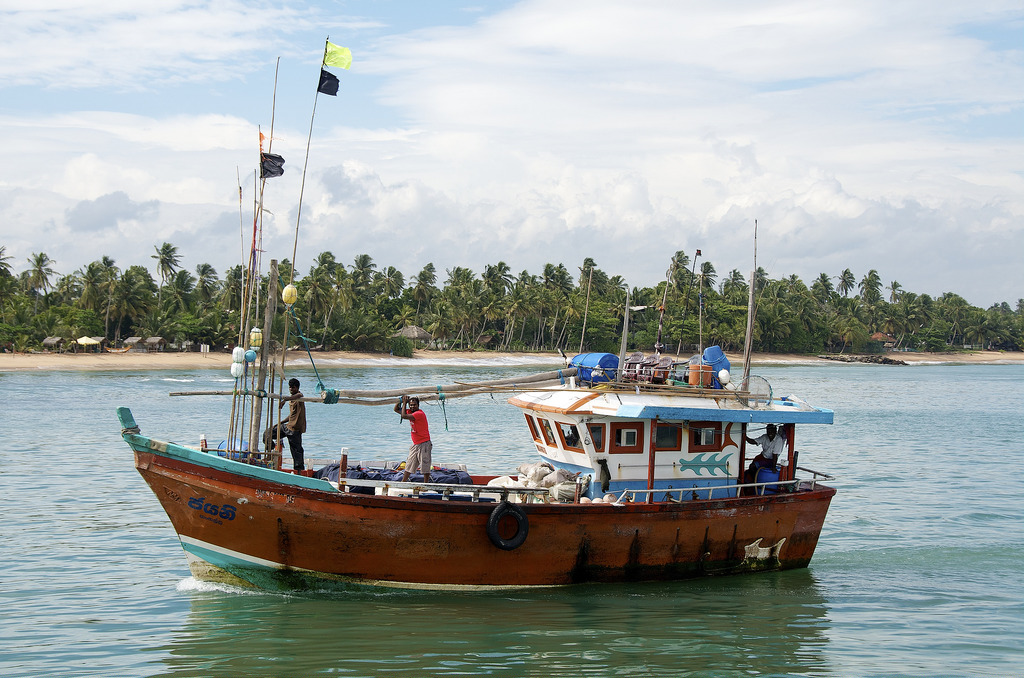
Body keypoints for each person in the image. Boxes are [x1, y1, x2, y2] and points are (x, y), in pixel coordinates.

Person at [264, 378, 307, 471]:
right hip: (287, 427)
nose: (291, 389)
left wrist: (285, 400)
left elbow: (298, 395)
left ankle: (299, 471)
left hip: (295, 430)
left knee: (296, 452)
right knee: (267, 433)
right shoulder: (292, 399)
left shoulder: (299, 397)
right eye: (290, 387)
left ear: (297, 388)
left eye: (293, 387)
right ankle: (271, 451)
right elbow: (291, 415)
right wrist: (280, 422)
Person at [394, 395, 431, 483]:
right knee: (409, 464)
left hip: (424, 443)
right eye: (410, 405)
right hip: (415, 444)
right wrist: (400, 400)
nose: (412, 406)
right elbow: (396, 409)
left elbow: (403, 416)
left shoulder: (419, 414)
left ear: (418, 405)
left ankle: (426, 484)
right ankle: (403, 482)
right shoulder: (410, 412)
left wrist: (404, 403)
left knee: (425, 465)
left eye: (414, 405)